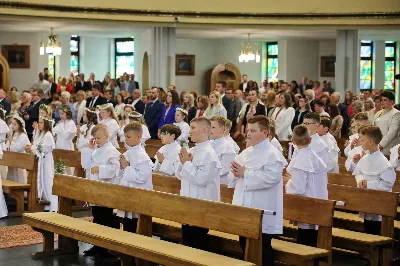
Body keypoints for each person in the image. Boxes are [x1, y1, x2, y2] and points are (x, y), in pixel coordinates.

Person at [228, 115, 287, 266]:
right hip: (244, 207)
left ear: (265, 133)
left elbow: (271, 178)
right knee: (244, 245)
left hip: (262, 208)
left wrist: (245, 173)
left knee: (262, 249)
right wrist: (236, 174)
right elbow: (233, 177)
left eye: (253, 130)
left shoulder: (273, 155)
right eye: (248, 130)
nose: (248, 133)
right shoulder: (246, 152)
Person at [175, 117, 221, 250]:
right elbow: (179, 175)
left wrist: (186, 163)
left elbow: (201, 179)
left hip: (202, 208)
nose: (190, 131)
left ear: (204, 129)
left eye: (193, 128)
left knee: (198, 244)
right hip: (187, 204)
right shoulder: (192, 151)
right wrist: (183, 162)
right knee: (187, 241)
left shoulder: (209, 154)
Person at [81, 124, 120, 256]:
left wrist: (100, 169)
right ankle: (98, 245)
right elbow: (85, 165)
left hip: (106, 190)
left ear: (107, 136)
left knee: (106, 218)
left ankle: (109, 247)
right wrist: (90, 149)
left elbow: (116, 170)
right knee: (96, 216)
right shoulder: (96, 149)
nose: (96, 140)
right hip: (95, 189)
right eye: (95, 138)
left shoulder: (112, 151)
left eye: (98, 137)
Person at [285, 124, 327, 247]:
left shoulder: (302, 158)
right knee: (310, 235)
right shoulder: (311, 155)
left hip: (308, 204)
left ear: (293, 141)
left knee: (306, 239)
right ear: (310, 140)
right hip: (317, 201)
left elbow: (298, 188)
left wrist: (287, 182)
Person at [353, 125, 396, 235]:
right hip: (367, 201)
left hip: (380, 203)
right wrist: (361, 180)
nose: (360, 142)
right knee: (367, 228)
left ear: (371, 142)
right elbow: (358, 172)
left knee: (376, 230)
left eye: (362, 140)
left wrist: (369, 184)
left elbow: (387, 184)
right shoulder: (365, 157)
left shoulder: (384, 163)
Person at [117, 121, 153, 234]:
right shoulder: (129, 152)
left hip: (137, 196)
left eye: (128, 137)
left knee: (134, 225)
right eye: (125, 137)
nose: (126, 139)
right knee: (127, 223)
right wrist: (122, 168)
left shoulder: (142, 156)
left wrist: (126, 167)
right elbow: (121, 173)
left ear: (139, 137)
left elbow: (141, 177)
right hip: (128, 193)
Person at [24, 116, 57, 211]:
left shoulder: (48, 135)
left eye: (42, 123)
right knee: (42, 181)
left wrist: (32, 148)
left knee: (47, 181)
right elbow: (37, 145)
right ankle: (45, 204)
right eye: (39, 122)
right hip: (40, 161)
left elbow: (45, 149)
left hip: (46, 161)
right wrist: (31, 147)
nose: (39, 124)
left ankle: (52, 206)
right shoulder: (40, 134)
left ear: (46, 124)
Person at [298, 113, 329, 199]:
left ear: (316, 125)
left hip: (315, 186)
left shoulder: (321, 146)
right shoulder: (301, 142)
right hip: (301, 184)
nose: (304, 126)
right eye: (303, 123)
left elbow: (319, 169)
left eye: (307, 124)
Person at [209, 116, 236, 185]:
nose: (210, 130)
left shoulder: (228, 149)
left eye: (213, 127)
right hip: (207, 182)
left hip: (220, 185)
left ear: (222, 129)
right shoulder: (208, 144)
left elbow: (222, 171)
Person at [373, 90, 400, 155]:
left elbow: (392, 133)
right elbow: (373, 128)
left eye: (385, 100)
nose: (382, 102)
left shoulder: (396, 113)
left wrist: (381, 145)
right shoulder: (379, 113)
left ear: (392, 101)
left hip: (388, 148)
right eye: (381, 100)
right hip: (376, 144)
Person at [6, 115, 30, 183]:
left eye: (15, 124)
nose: (12, 126)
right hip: (11, 161)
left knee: (19, 178)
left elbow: (16, 149)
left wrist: (11, 140)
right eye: (12, 124)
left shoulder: (23, 136)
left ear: (20, 125)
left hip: (19, 161)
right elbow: (7, 146)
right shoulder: (13, 134)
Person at [53, 105, 77, 175]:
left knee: (67, 169)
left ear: (68, 113)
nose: (61, 115)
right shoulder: (61, 122)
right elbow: (54, 132)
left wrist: (60, 126)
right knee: (59, 168)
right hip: (59, 146)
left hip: (67, 147)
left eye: (62, 113)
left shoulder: (71, 123)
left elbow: (66, 135)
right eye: (60, 113)